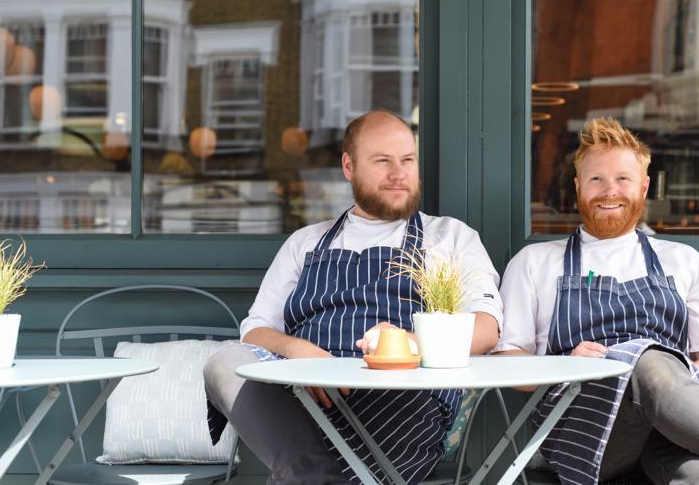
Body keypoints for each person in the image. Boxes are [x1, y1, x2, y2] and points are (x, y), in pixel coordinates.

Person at [495, 117, 699, 485]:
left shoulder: (683, 260)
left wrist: (668, 389)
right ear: (577, 186)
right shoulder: (535, 262)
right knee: (646, 363)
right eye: (596, 179)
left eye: (622, 179)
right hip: (581, 431)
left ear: (644, 187)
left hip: (672, 432)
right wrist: (564, 365)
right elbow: (508, 363)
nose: (609, 191)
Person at [204, 110, 503, 485]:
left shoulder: (450, 237)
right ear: (349, 166)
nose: (399, 174)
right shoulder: (306, 242)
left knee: (300, 473)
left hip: (401, 399)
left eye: (408, 160)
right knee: (223, 362)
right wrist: (298, 353)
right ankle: (313, 474)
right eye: (383, 161)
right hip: (305, 403)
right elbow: (255, 330)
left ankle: (307, 476)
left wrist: (413, 343)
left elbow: (487, 326)